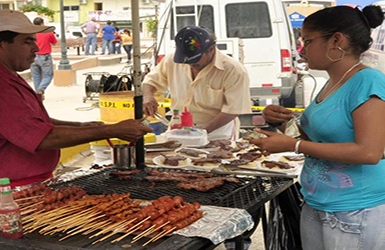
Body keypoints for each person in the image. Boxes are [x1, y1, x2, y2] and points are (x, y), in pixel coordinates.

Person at [0, 10, 152, 202]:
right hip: (4, 190)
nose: (36, 48)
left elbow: (33, 122)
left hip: (26, 182)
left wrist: (82, 126)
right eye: (27, 41)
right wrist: (110, 130)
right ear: (0, 45)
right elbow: (42, 137)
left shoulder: (4, 76)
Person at [250, 6, 385, 250]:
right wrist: (284, 124)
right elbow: (320, 141)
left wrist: (293, 145)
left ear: (336, 40)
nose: (302, 50)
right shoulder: (331, 82)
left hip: (354, 209)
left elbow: (369, 152)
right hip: (317, 201)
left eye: (307, 41)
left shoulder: (368, 81)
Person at [142, 25, 251, 140]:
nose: (190, 64)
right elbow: (151, 80)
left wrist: (202, 132)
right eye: (186, 60)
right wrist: (148, 96)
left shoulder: (234, 71)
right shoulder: (171, 61)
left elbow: (233, 110)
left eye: (195, 60)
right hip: (178, 130)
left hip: (216, 134)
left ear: (211, 49)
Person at [30, 17, 57, 98]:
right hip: (45, 56)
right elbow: (54, 43)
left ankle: (38, 95)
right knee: (48, 75)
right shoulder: (48, 32)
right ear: (42, 23)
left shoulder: (31, 32)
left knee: (36, 76)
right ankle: (41, 89)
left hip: (33, 56)